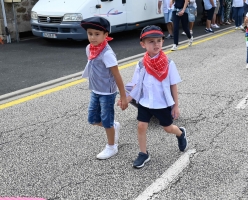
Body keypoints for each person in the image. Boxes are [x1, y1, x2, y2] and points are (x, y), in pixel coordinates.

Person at [120, 25, 188, 169]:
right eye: (151, 41)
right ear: (143, 44)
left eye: (159, 40)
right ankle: (143, 153)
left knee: (168, 128)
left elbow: (173, 85)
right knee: (141, 126)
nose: (156, 44)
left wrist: (176, 105)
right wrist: (127, 99)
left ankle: (180, 133)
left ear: (163, 42)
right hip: (145, 102)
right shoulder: (141, 64)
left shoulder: (169, 63)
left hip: (161, 104)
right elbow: (136, 85)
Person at [80, 17, 128, 160]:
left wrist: (123, 97)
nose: (93, 37)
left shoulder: (107, 54)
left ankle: (111, 147)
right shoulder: (90, 48)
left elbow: (117, 75)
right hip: (95, 90)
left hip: (107, 92)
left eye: (97, 34)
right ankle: (113, 126)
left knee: (106, 120)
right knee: (93, 119)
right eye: (90, 33)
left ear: (105, 35)